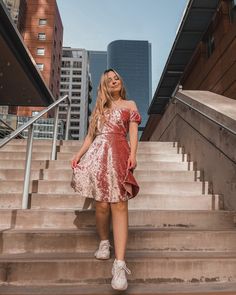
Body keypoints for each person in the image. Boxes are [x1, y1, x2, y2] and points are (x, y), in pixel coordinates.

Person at [71, 68, 141, 291]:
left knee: (119, 204)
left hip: (119, 153)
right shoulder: (100, 108)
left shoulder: (130, 105)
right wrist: (78, 154)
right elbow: (91, 135)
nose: (114, 81)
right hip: (98, 155)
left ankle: (119, 265)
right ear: (104, 86)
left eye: (117, 78)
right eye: (109, 80)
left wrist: (133, 155)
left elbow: (132, 132)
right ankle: (104, 241)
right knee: (101, 205)